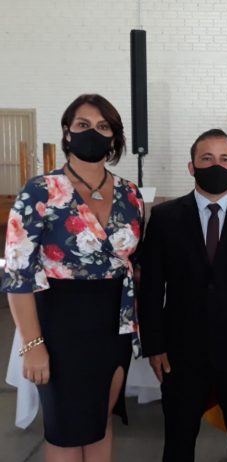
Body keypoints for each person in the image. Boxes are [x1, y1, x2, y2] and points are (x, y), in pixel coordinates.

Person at [1, 94, 144, 461]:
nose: (92, 132)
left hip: (114, 324)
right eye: (83, 125)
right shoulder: (39, 191)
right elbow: (17, 274)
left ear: (114, 137)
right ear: (67, 133)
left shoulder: (130, 194)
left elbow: (134, 260)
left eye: (103, 126)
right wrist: (33, 345)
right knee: (65, 432)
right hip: (60, 324)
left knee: (100, 422)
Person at [138, 128, 227, 462]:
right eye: (207, 158)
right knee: (178, 442)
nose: (216, 165)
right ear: (192, 167)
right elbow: (151, 288)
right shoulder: (165, 218)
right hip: (180, 353)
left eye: (224, 159)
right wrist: (154, 346)